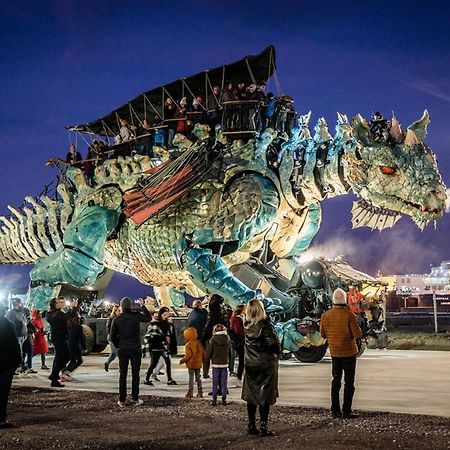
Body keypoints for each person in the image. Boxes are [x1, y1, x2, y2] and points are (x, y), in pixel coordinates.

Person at [320, 288, 362, 420]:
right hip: (349, 353)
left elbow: (322, 334)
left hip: (335, 353)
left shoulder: (325, 316)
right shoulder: (349, 316)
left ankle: (335, 410)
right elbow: (358, 335)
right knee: (349, 382)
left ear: (333, 300)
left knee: (335, 381)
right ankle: (346, 410)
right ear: (344, 300)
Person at [241, 298, 280, 437]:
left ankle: (251, 424)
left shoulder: (246, 325)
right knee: (265, 395)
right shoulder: (265, 325)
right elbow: (272, 344)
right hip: (265, 364)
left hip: (251, 363)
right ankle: (263, 426)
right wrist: (278, 351)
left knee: (252, 396)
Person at [110, 297, 151, 407]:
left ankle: (122, 399)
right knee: (135, 374)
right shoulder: (135, 316)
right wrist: (142, 306)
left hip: (123, 349)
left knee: (122, 374)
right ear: (130, 305)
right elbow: (148, 318)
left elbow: (112, 336)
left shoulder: (117, 319)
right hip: (135, 348)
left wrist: (119, 345)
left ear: (121, 306)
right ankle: (135, 398)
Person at [46, 297, 77, 388]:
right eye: (58, 302)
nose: (60, 303)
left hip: (57, 338)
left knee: (60, 357)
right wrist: (73, 308)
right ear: (56, 305)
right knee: (62, 358)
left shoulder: (50, 313)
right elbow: (69, 316)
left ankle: (54, 375)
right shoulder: (58, 314)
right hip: (60, 338)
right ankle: (54, 378)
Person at [144, 306, 177, 386]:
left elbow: (170, 334)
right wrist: (163, 338)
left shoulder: (166, 324)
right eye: (164, 315)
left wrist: (171, 325)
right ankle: (147, 379)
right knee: (153, 364)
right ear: (161, 315)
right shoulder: (156, 324)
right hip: (157, 347)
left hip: (164, 347)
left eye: (167, 315)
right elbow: (152, 335)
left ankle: (169, 379)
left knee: (168, 362)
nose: (166, 317)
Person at [0, 303, 21, 428]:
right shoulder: (8, 325)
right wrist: (16, 363)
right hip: (5, 364)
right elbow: (14, 345)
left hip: (5, 363)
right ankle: (1, 418)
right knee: (3, 393)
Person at [205, 324, 231, 406]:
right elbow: (230, 353)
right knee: (224, 382)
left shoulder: (212, 340)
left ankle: (214, 399)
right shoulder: (227, 339)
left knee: (215, 382)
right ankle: (224, 399)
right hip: (224, 363)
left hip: (215, 364)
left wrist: (205, 370)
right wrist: (230, 364)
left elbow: (208, 354)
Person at [179, 327, 204, 398]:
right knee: (198, 377)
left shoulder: (188, 344)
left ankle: (190, 392)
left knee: (191, 378)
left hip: (191, 364)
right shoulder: (198, 343)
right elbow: (202, 352)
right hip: (198, 363)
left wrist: (182, 360)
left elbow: (188, 356)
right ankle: (200, 392)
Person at [6, 298, 28, 373]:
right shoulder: (12, 313)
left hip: (23, 334)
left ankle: (22, 366)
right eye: (20, 302)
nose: (21, 304)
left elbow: (25, 320)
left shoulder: (22, 311)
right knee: (19, 351)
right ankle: (19, 366)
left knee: (21, 351)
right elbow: (11, 324)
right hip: (16, 334)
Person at [64, 312, 86, 377]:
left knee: (73, 360)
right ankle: (67, 372)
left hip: (68, 345)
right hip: (75, 345)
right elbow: (81, 338)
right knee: (79, 361)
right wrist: (84, 348)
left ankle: (66, 371)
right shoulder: (79, 327)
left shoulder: (68, 326)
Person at [229, 304, 245, 385]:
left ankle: (236, 375)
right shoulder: (238, 319)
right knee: (242, 360)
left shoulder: (233, 318)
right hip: (239, 341)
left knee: (234, 357)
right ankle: (239, 378)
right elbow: (239, 331)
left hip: (235, 340)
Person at [104, 304, 120, 372]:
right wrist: (110, 334)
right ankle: (107, 363)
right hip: (112, 338)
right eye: (118, 310)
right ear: (115, 311)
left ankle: (121, 367)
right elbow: (108, 328)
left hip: (118, 338)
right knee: (114, 352)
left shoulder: (119, 318)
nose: (120, 311)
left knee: (119, 353)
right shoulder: (111, 319)